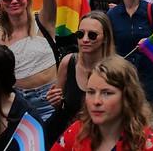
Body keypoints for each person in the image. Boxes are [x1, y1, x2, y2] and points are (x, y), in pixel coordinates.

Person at [50, 56, 153, 151]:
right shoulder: (77, 132)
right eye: (91, 92)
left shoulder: (148, 144)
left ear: (127, 96)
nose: (96, 101)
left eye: (107, 93)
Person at [45, 11, 117, 140]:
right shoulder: (68, 62)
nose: (85, 39)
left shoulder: (116, 69)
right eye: (80, 34)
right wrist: (55, 100)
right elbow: (59, 105)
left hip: (104, 135)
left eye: (92, 35)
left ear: (105, 38)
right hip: (71, 135)